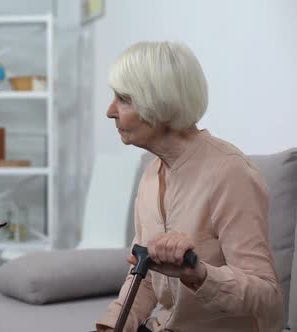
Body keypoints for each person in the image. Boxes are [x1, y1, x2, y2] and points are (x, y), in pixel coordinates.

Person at [96, 41, 284, 332]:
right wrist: (112, 326)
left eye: (123, 98)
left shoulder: (230, 172)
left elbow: (267, 296)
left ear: (158, 101)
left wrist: (199, 274)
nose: (110, 111)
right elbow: (142, 278)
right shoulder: (150, 174)